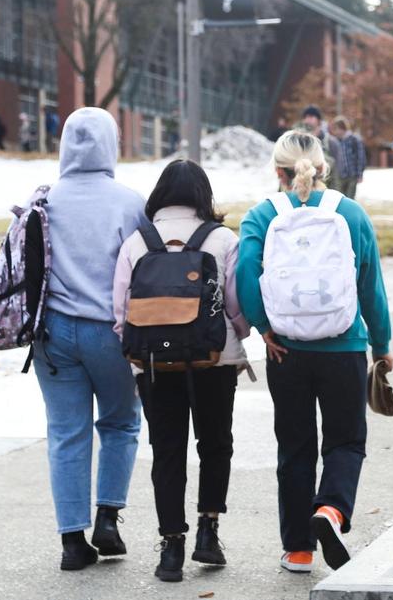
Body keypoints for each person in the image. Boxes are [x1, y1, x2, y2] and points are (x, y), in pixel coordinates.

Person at [236, 130, 393, 574]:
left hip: (286, 350)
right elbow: (370, 286)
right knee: (345, 439)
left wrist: (263, 328)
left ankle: (299, 550)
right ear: (323, 167)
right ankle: (331, 510)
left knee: (295, 446)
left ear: (278, 171)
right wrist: (381, 345)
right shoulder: (352, 214)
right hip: (343, 347)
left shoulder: (262, 215)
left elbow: (246, 273)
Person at [112, 160, 251, 582]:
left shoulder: (138, 241)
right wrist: (238, 336)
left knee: (167, 450)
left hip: (155, 362)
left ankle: (171, 548)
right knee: (214, 443)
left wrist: (133, 350)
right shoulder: (222, 238)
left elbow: (121, 310)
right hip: (213, 358)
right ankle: (208, 532)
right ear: (201, 196)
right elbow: (236, 304)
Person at [33, 107, 149, 571]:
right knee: (121, 422)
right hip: (111, 331)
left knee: (66, 432)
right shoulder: (128, 202)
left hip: (53, 333)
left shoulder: (45, 198)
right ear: (111, 144)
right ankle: (108, 516)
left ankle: (71, 541)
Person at [329, 116, 367, 200]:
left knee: (350, 198)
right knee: (340, 199)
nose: (335, 132)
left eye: (336, 129)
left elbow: (361, 157)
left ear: (342, 128)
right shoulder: (335, 141)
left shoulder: (354, 139)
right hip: (340, 175)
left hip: (352, 175)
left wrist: (360, 174)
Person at [300, 105, 340, 175]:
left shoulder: (331, 142)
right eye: (305, 117)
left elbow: (337, 169)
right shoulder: (299, 141)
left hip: (325, 183)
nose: (307, 120)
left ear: (319, 120)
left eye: (311, 117)